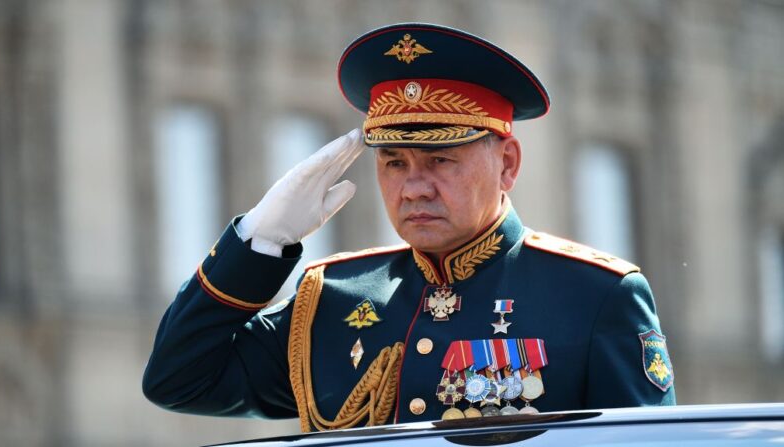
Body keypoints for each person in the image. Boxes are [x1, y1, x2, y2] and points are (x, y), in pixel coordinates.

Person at [142, 23, 675, 432]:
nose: (414, 187)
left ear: (507, 163)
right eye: (394, 162)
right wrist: (258, 244)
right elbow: (179, 380)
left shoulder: (595, 296)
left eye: (441, 161)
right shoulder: (330, 301)